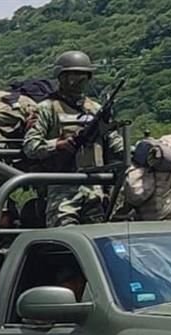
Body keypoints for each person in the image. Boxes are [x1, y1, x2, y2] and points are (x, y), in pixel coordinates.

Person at [22, 50, 125, 227]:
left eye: (82, 75)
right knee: (64, 240)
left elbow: (115, 145)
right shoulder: (47, 108)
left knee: (97, 241)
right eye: (72, 74)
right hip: (62, 188)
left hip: (96, 188)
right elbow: (31, 146)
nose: (77, 80)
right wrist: (59, 144)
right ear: (61, 77)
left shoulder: (95, 110)